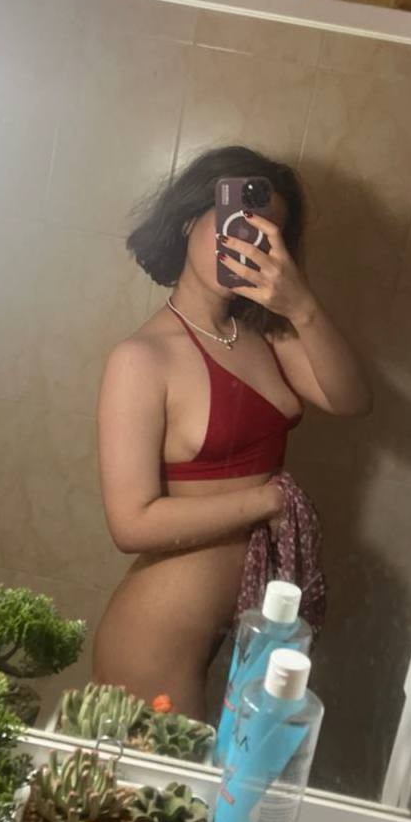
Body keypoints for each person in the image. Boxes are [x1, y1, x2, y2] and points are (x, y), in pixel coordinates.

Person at [92, 146, 371, 719]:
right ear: (189, 219)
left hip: (233, 629)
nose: (246, 242)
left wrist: (302, 306)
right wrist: (267, 501)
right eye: (236, 220)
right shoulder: (142, 359)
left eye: (266, 234)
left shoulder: (267, 336)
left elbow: (350, 400)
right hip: (155, 640)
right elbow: (131, 523)